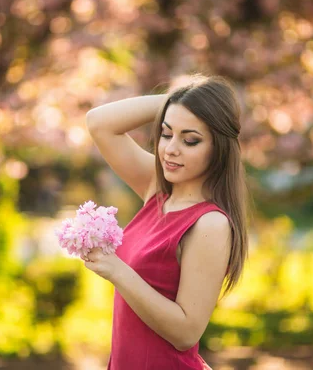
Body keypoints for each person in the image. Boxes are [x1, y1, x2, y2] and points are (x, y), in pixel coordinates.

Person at [83, 74, 249, 369]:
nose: (171, 149)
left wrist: (118, 272)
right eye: (166, 133)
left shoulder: (210, 223)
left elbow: (186, 332)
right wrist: (182, 100)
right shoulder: (156, 189)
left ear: (218, 147)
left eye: (190, 140)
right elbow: (99, 122)